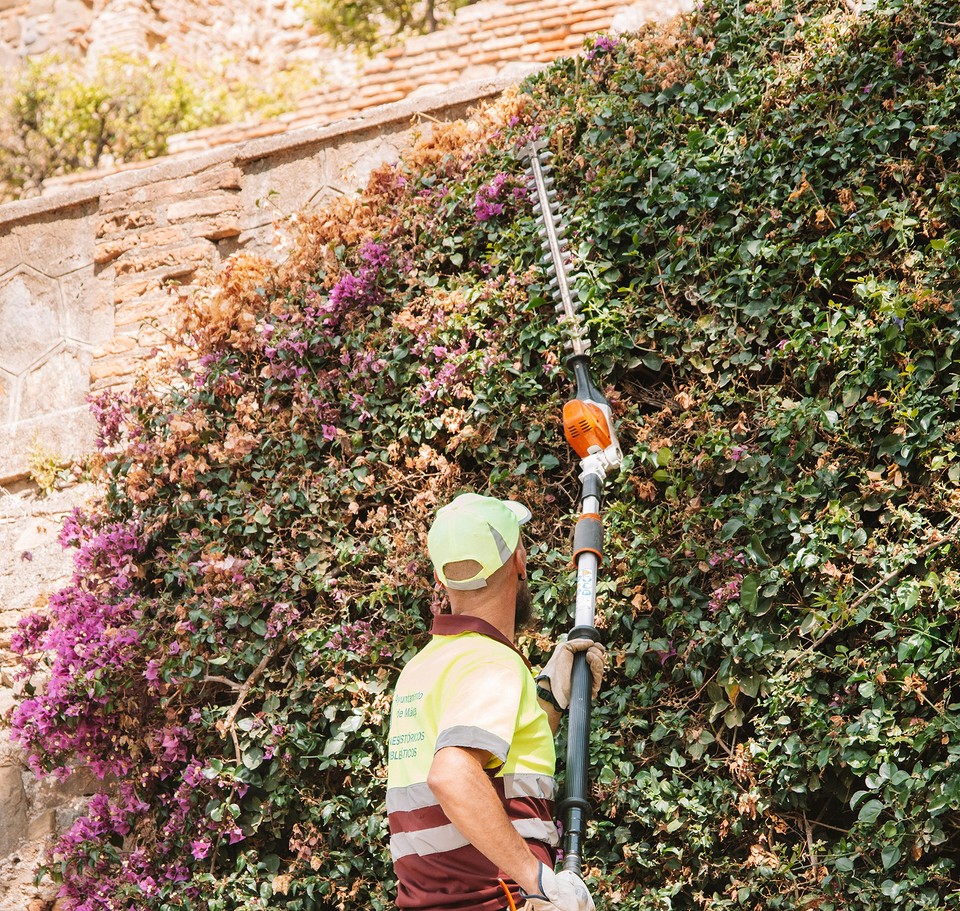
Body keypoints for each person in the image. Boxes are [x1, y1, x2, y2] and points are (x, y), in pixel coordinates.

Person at [386, 492, 605, 910]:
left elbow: (499, 770)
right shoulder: (493, 665)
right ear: (519, 561)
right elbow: (453, 775)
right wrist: (541, 883)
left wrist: (550, 697)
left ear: (439, 575)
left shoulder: (422, 668)